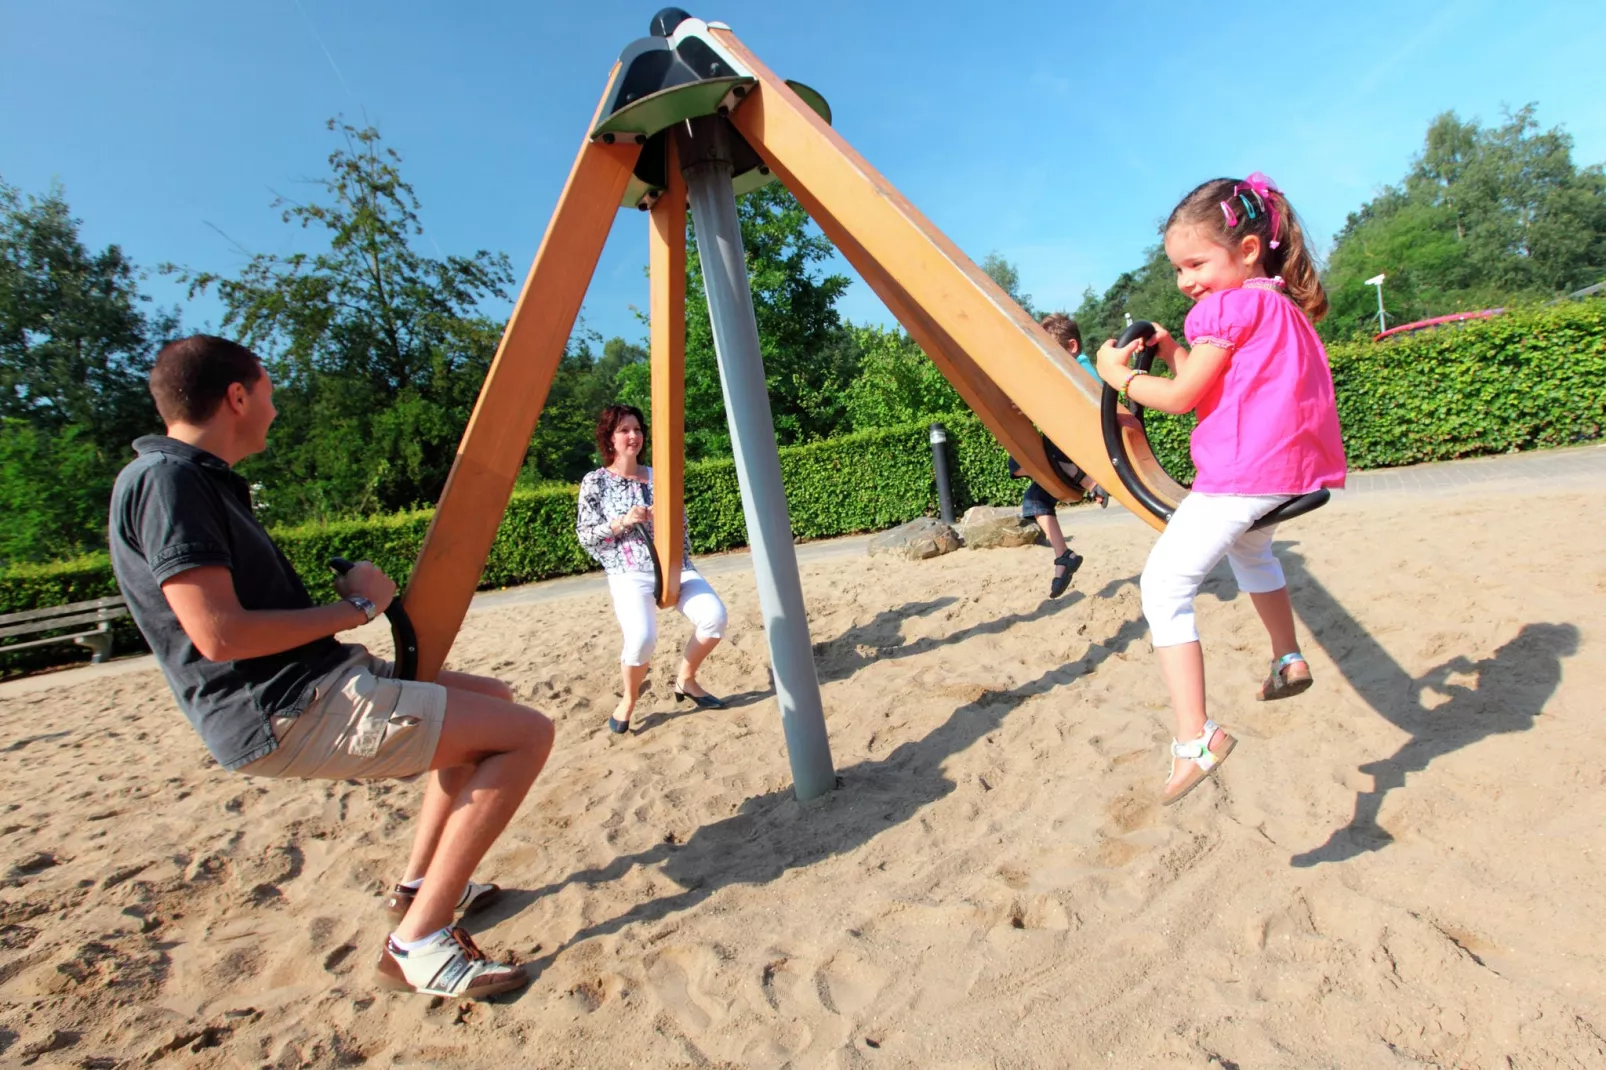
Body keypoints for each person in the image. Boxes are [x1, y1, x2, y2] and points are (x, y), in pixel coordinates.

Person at [108, 335, 554, 999]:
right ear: (237, 397)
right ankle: (419, 945)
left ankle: (419, 887)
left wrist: (351, 610)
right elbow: (218, 634)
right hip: (287, 708)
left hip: (307, 685)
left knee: (494, 699)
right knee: (527, 734)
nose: (275, 407)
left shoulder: (186, 480)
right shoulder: (169, 482)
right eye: (268, 391)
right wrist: (355, 608)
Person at [1094, 173, 1346, 806]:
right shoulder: (1277, 306)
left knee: (1163, 586)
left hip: (1243, 473)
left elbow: (1180, 400)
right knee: (1253, 553)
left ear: (1249, 249)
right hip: (1287, 471)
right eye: (1178, 269)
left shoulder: (1225, 309)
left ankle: (1195, 738)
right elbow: (1216, 385)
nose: (1187, 282)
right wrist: (1176, 348)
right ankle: (1287, 658)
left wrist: (1115, 376)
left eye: (1197, 263)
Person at [576, 403, 728, 733]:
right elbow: (586, 536)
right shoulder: (595, 482)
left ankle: (686, 680)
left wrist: (669, 523)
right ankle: (629, 699)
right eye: (624, 430)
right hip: (628, 572)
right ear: (609, 438)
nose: (633, 436)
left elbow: (683, 524)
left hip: (675, 565)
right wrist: (623, 521)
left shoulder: (659, 476)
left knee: (715, 618)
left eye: (637, 429)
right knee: (642, 639)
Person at [1007, 312, 1098, 598]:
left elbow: (1090, 401)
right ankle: (1064, 558)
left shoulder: (1082, 369)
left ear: (1071, 347)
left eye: (1052, 354)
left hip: (1086, 450)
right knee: (1033, 499)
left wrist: (1038, 404)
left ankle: (1092, 483)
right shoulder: (1061, 375)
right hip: (1068, 456)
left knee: (1048, 446)